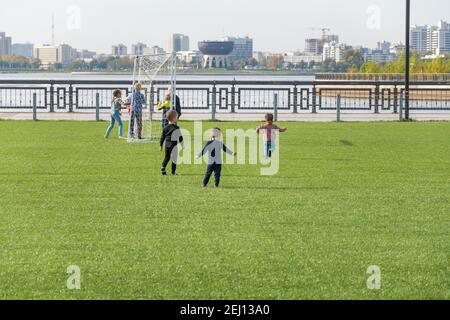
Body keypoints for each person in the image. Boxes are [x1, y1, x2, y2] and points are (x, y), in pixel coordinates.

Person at [160, 110, 184, 176]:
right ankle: (173, 172)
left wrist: (161, 145)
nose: (177, 118)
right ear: (174, 119)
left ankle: (163, 167)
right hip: (174, 145)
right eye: (176, 117)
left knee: (167, 157)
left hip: (167, 145)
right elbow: (180, 137)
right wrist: (182, 145)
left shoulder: (165, 128)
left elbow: (162, 137)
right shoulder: (176, 128)